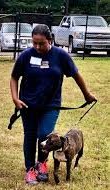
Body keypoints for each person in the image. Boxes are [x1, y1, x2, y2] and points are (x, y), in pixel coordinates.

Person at [10, 24, 96, 184]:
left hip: (51, 105)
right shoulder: (26, 56)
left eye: (41, 43)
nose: (37, 46)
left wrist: (87, 94)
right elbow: (14, 77)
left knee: (44, 134)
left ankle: (42, 164)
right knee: (29, 136)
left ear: (50, 40)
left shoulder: (61, 56)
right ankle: (30, 170)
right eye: (34, 43)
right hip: (28, 104)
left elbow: (76, 75)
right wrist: (15, 98)